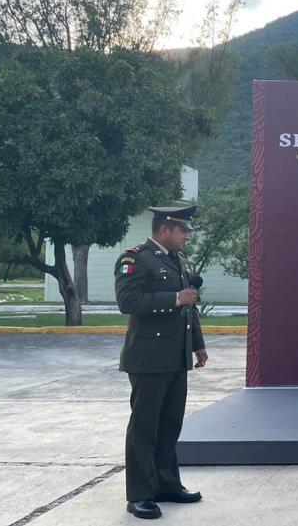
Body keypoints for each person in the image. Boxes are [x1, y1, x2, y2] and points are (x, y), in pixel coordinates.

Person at [115, 205, 208, 520]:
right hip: (148, 357)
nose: (187, 236)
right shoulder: (136, 258)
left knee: (170, 424)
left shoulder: (178, 260)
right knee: (145, 426)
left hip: (175, 357)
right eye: (183, 230)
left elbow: (189, 304)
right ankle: (140, 494)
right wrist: (173, 299)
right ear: (165, 228)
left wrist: (198, 345)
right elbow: (127, 302)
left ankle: (167, 485)